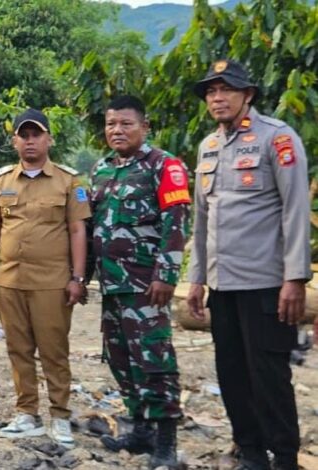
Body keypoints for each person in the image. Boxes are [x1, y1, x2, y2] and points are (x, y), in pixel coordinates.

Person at [186, 59, 310, 470]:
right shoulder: (207, 146)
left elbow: (295, 210)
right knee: (232, 373)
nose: (217, 98)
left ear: (248, 95)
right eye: (210, 91)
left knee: (269, 374)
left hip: (266, 283)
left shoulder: (277, 139)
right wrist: (197, 278)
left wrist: (294, 278)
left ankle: (285, 456)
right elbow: (202, 219)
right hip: (223, 284)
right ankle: (251, 451)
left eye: (226, 90)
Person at [0, 108, 89, 448]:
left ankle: (60, 416)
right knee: (19, 350)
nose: (30, 141)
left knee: (54, 351)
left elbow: (77, 229)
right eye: (23, 135)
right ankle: (27, 413)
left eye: (36, 134)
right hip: (10, 281)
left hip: (52, 283)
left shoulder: (69, 182)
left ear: (49, 139)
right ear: (14, 141)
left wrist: (78, 278)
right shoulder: (2, 181)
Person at [88, 95, 189, 469]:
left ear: (144, 127)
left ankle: (166, 444)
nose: (117, 130)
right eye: (112, 123)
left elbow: (175, 223)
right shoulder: (102, 170)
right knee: (121, 359)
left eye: (126, 123)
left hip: (146, 286)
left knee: (154, 361)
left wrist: (166, 275)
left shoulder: (164, 165)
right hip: (112, 287)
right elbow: (91, 226)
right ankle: (141, 429)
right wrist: (82, 277)